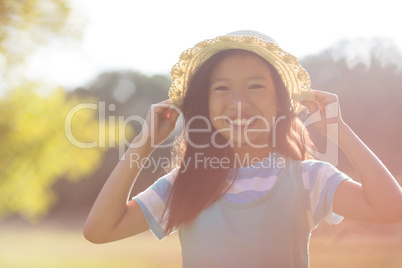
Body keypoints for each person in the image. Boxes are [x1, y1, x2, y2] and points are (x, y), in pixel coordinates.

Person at [83, 30, 402, 267]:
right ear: (205, 106)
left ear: (280, 103)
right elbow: (99, 230)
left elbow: (391, 208)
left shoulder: (308, 178)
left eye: (255, 86)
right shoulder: (184, 185)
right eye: (221, 88)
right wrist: (145, 143)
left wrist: (339, 131)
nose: (238, 102)